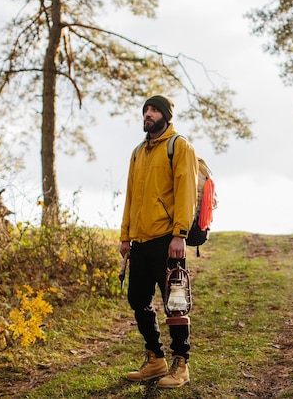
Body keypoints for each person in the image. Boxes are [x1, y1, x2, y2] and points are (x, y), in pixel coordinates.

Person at [119, 95, 198, 388]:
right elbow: (130, 197)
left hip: (167, 240)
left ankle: (181, 364)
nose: (148, 115)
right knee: (137, 299)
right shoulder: (138, 152)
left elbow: (187, 192)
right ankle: (155, 359)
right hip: (139, 241)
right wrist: (125, 236)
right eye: (145, 111)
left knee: (175, 303)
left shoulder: (179, 146)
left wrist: (180, 234)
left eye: (154, 110)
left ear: (165, 115)